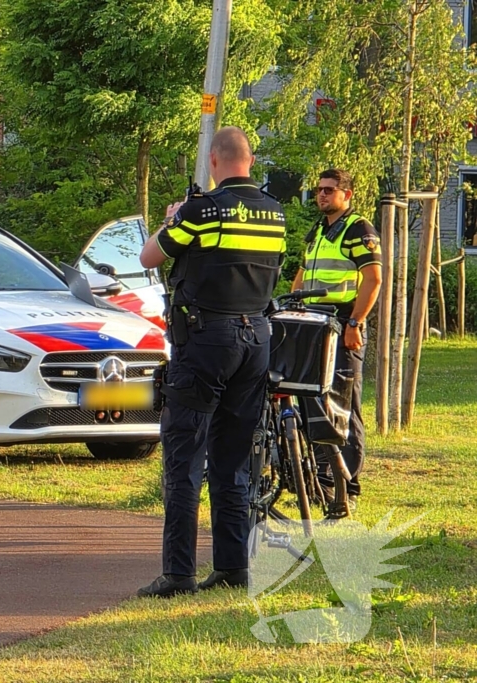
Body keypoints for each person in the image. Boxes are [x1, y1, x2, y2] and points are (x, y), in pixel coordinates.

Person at [137, 127, 287, 597]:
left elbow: (149, 257)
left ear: (214, 161)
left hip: (206, 340)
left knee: (184, 456)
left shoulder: (200, 210)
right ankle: (232, 565)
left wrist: (172, 219)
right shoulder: (275, 213)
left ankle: (178, 573)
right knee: (233, 459)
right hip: (256, 339)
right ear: (251, 160)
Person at [292, 169, 382, 515]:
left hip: (342, 323)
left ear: (348, 194)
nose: (322, 195)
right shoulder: (319, 229)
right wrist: (293, 304)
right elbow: (303, 273)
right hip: (313, 324)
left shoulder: (358, 229)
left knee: (344, 403)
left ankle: (349, 484)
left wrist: (355, 323)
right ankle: (323, 481)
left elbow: (373, 279)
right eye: (319, 190)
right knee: (314, 402)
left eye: (329, 190)